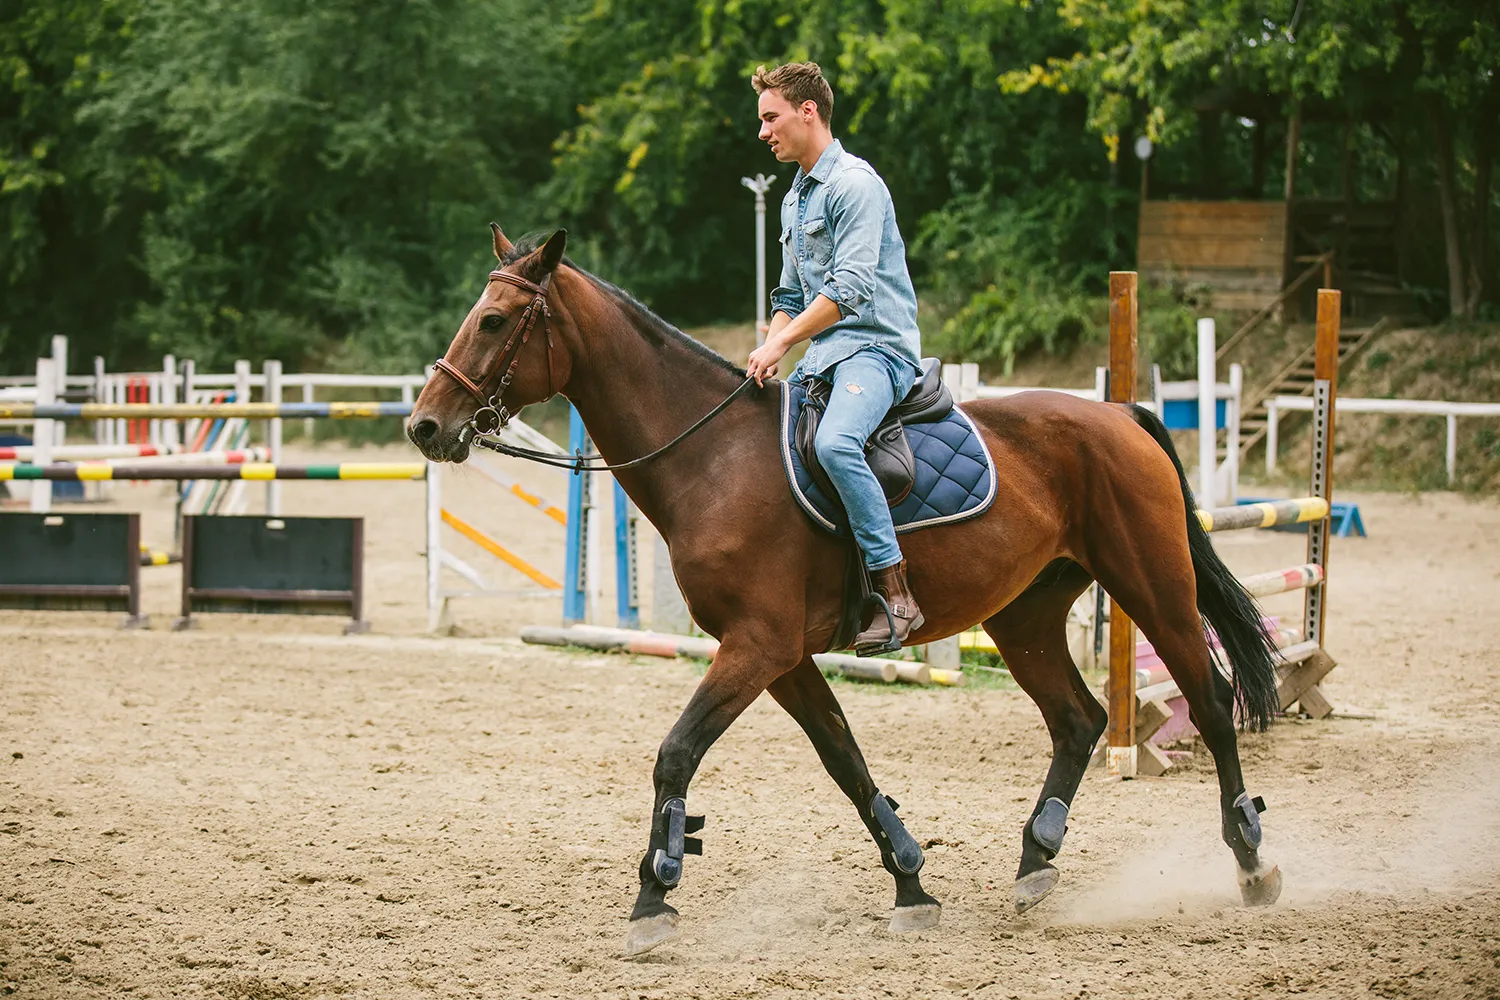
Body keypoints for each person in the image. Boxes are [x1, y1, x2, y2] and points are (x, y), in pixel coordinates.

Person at [744, 61, 925, 651]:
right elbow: (790, 296)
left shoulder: (856, 185)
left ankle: (894, 593)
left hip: (878, 351)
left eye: (770, 118)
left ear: (807, 112)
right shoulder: (796, 199)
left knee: (835, 444)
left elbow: (850, 289)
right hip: (824, 358)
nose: (763, 131)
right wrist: (772, 345)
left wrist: (782, 341)